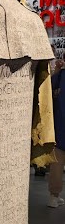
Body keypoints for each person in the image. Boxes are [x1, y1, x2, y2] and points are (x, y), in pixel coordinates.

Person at [48, 57, 65, 208]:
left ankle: (54, 196)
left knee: (57, 165)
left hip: (58, 128)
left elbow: (47, 89)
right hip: (59, 128)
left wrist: (57, 71)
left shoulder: (59, 77)